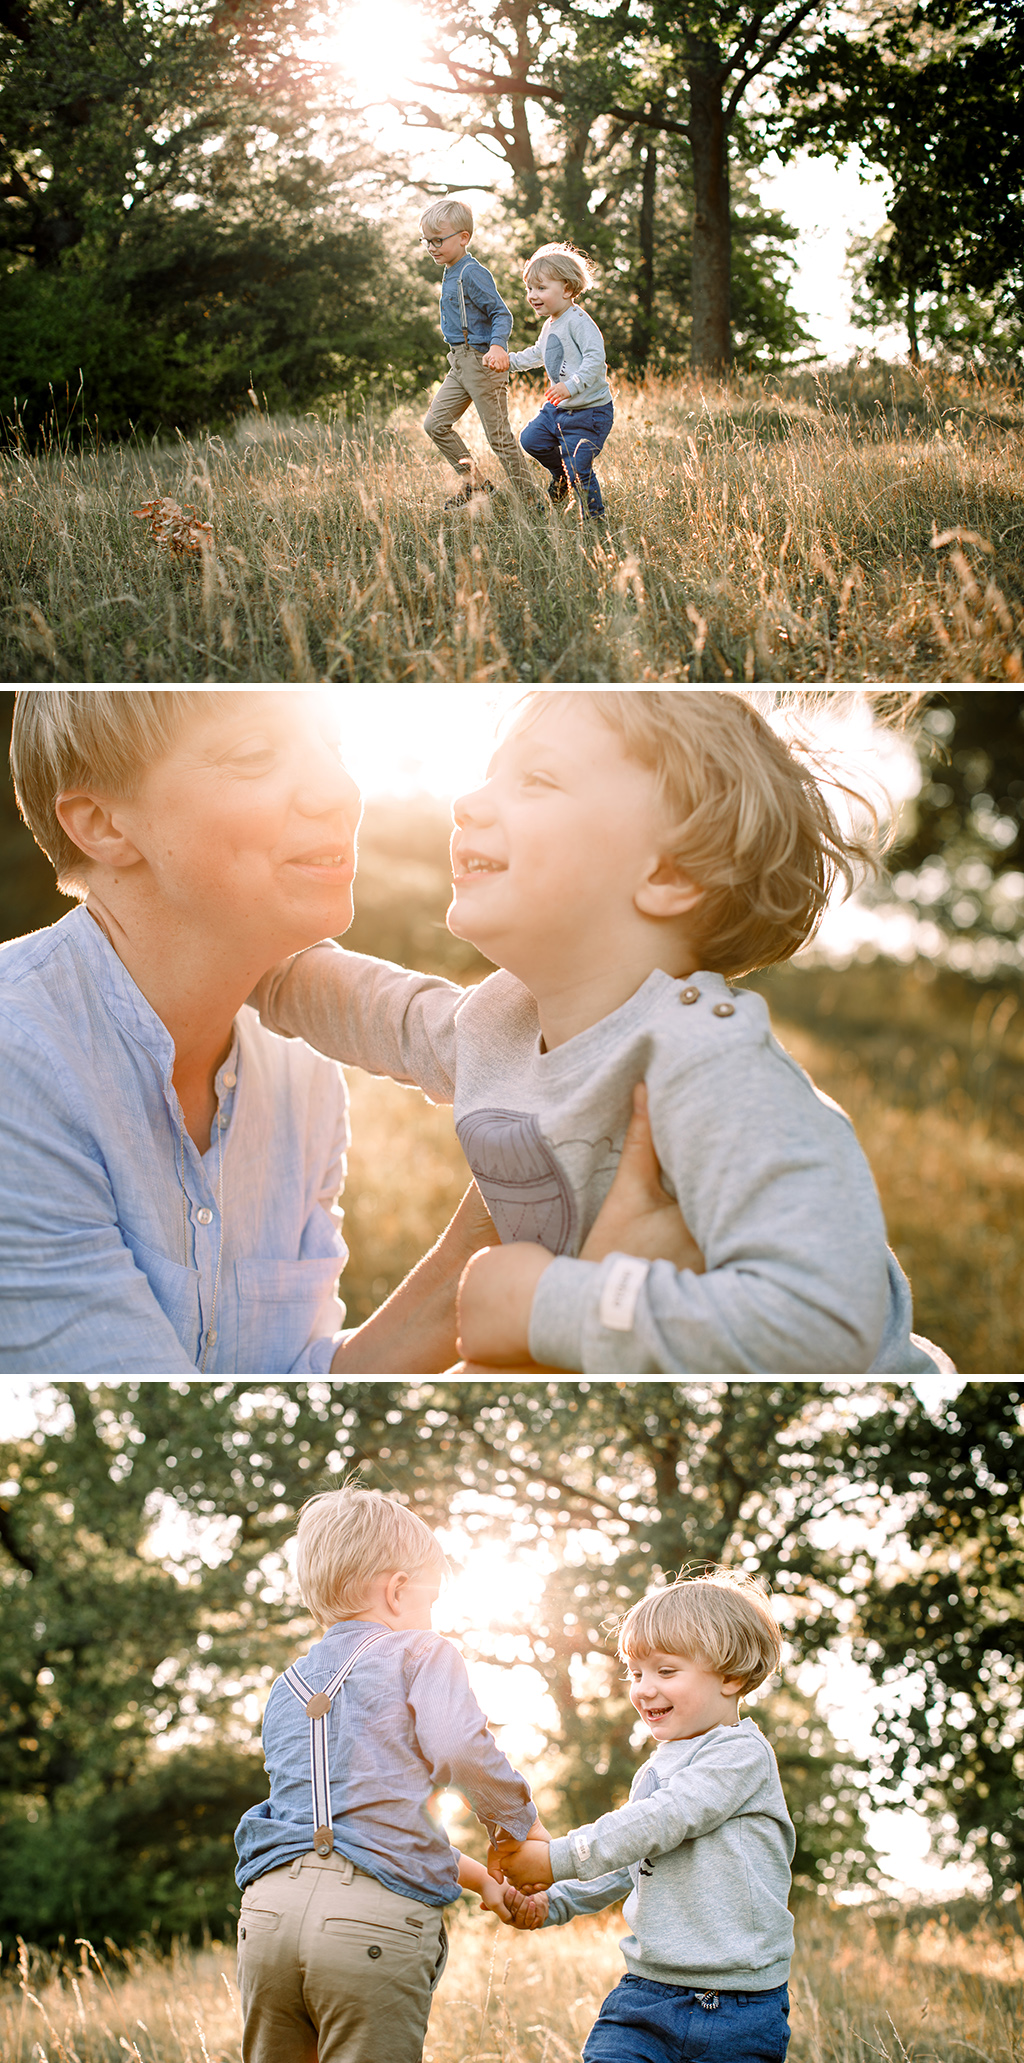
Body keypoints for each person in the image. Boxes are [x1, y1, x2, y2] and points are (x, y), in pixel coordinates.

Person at [250, 689, 954, 1377]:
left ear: (668, 872)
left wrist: (548, 1305)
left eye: (537, 778)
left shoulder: (711, 1062)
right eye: (493, 772)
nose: (469, 802)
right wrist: (257, 966)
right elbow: (385, 1013)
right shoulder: (502, 1022)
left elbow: (826, 1318)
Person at [0, 688, 678, 1376]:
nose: (341, 790)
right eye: (255, 754)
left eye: (335, 747)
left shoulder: (302, 1069)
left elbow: (302, 1377)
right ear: (103, 824)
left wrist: (505, 1221)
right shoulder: (15, 1055)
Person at [234, 1485, 543, 2063]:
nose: (431, 1618)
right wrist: (516, 1828)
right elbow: (459, 1747)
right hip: (371, 1931)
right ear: (399, 1591)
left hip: (267, 1917)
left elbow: (346, 1835)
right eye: (430, 1601)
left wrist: (483, 1883)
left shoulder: (285, 1688)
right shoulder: (420, 1652)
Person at [494, 1571, 796, 2063]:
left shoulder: (741, 1753)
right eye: (636, 1673)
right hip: (647, 1994)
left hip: (741, 2008)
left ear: (731, 1676)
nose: (644, 1689)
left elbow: (666, 1819)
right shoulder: (655, 1770)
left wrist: (555, 1858)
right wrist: (554, 1900)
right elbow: (630, 1863)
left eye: (666, 1671)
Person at [419, 198, 538, 509]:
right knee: (435, 425)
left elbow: (501, 314)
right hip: (458, 362)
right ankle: (476, 485)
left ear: (463, 237)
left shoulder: (472, 272)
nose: (432, 247)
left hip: (482, 361)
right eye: (427, 241)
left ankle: (532, 501)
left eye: (438, 240)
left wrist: (498, 345)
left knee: (499, 437)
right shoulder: (450, 269)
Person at [508, 244, 614, 520]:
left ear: (566, 289)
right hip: (557, 410)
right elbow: (538, 353)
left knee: (579, 465)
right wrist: (508, 362)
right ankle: (560, 475)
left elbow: (595, 360)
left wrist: (572, 385)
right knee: (531, 440)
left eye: (541, 288)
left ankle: (594, 519)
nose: (532, 295)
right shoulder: (551, 324)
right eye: (530, 288)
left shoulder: (579, 322)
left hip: (589, 412)